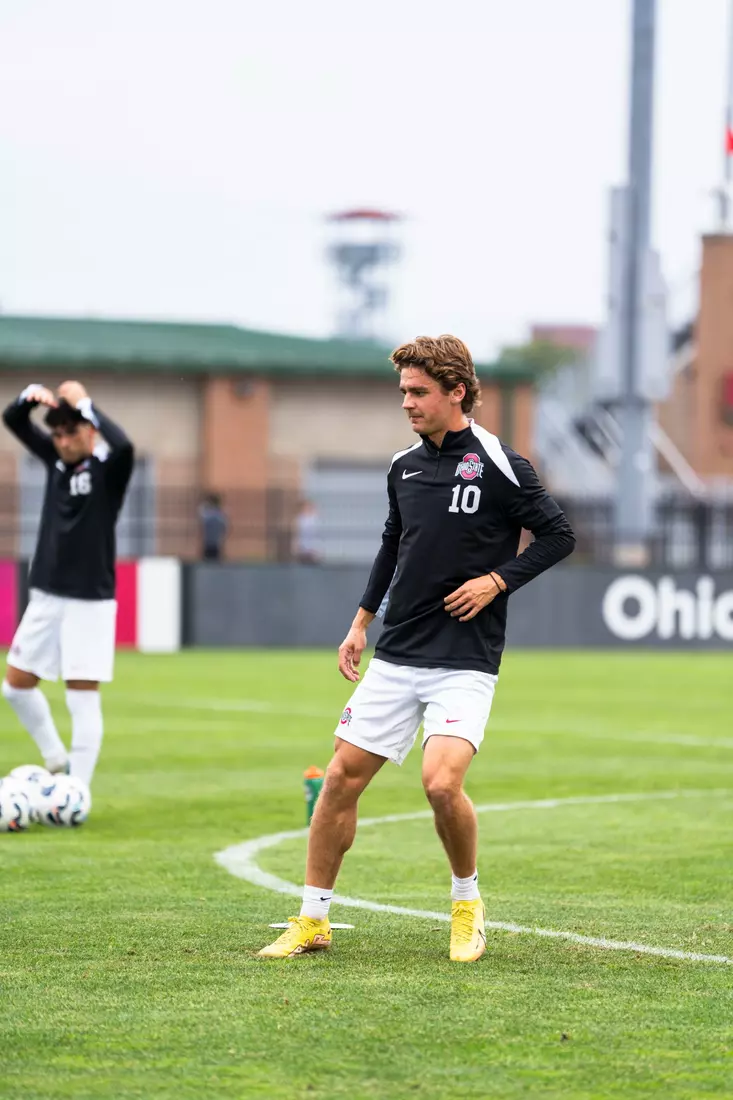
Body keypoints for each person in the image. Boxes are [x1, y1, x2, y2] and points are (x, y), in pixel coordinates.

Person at [259, 334, 575, 962]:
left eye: (418, 391)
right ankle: (312, 919)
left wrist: (497, 580)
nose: (406, 401)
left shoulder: (498, 462)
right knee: (339, 783)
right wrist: (359, 623)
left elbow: (558, 534)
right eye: (403, 390)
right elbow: (391, 545)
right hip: (398, 653)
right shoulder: (403, 466)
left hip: (465, 658)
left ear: (456, 391)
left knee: (440, 783)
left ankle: (466, 905)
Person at [2, 381, 134, 788]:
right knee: (16, 687)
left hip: (89, 601)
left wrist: (84, 402)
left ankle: (77, 791)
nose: (61, 440)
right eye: (56, 433)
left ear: (89, 431)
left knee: (81, 695)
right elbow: (12, 419)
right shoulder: (55, 462)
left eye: (70, 431)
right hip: (45, 593)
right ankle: (56, 759)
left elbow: (125, 445)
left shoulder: (107, 471)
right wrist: (30, 396)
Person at [198, 493, 228, 561]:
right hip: (215, 543)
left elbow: (201, 514)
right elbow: (225, 528)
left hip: (210, 543)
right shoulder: (221, 515)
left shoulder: (207, 514)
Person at [292, 499, 321, 564]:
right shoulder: (300, 518)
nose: (306, 508)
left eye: (308, 507)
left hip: (313, 548)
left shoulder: (314, 518)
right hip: (302, 547)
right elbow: (297, 533)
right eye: (305, 507)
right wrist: (295, 546)